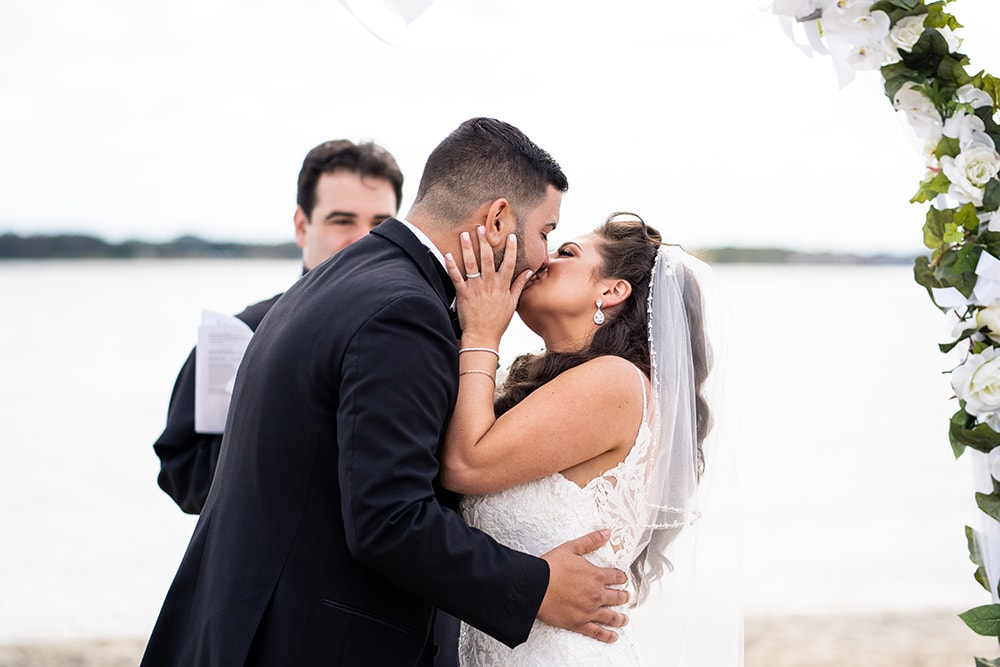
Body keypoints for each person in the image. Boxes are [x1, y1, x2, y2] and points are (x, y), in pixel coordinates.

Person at [139, 118, 630, 667]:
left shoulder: (348, 277)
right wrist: (534, 586)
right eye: (544, 232)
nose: (540, 258)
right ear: (496, 220)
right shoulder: (404, 312)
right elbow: (388, 520)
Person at [439, 212, 742, 665]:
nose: (545, 259)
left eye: (567, 253)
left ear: (612, 290)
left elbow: (466, 465)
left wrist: (481, 331)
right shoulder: (558, 383)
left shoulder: (615, 382)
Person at [153, 139, 403, 515]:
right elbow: (183, 474)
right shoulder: (241, 334)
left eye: (380, 224)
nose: (364, 239)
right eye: (342, 221)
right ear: (302, 227)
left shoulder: (416, 334)